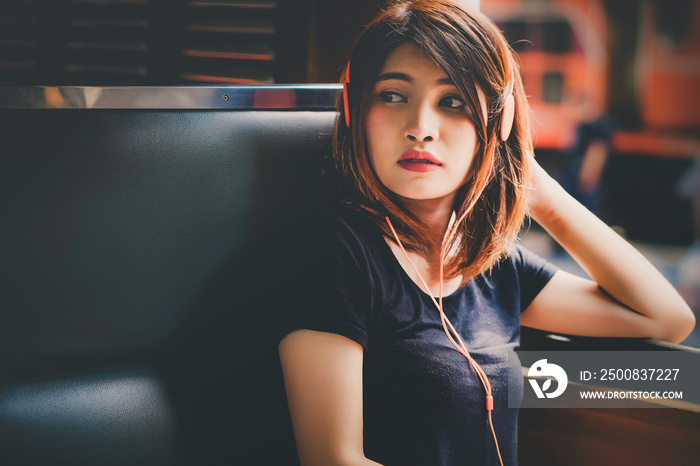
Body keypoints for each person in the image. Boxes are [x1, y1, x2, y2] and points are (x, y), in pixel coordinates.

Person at [278, 1, 695, 465]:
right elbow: (333, 459)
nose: (420, 129)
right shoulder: (335, 255)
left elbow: (665, 318)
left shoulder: (489, 264)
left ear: (499, 122)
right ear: (357, 111)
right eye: (392, 96)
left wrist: (537, 190)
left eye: (453, 102)